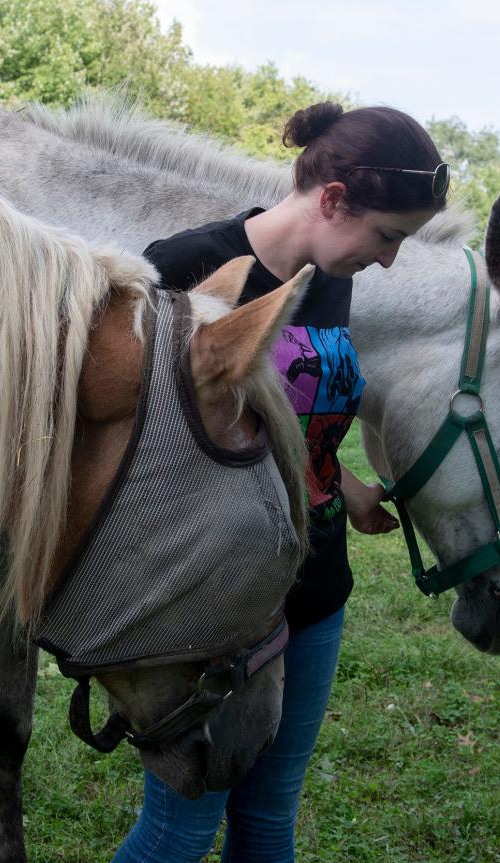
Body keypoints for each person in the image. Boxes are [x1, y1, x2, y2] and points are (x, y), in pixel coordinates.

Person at [111, 101, 449, 863]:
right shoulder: (185, 262)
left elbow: (287, 414)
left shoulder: (330, 272)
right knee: (181, 828)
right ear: (333, 200)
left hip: (317, 582)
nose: (388, 258)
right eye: (388, 236)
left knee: (269, 816)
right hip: (215, 594)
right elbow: (132, 436)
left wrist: (347, 484)